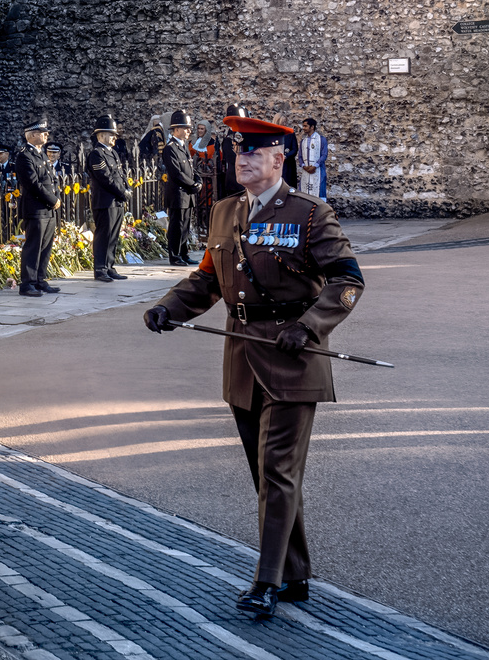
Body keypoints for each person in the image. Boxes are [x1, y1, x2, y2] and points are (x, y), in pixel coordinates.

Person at [143, 115, 365, 620]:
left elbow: (347, 282)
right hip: (241, 356)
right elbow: (207, 281)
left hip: (292, 358)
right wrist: (168, 307)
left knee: (277, 471)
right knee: (265, 475)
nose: (242, 161)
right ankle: (294, 574)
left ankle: (266, 582)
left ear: (278, 158)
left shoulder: (311, 214)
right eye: (238, 154)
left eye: (253, 153)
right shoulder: (224, 212)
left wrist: (308, 328)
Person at [14, 118, 61, 297]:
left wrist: (55, 198)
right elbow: (33, 184)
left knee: (46, 246)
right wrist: (51, 199)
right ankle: (27, 283)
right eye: (43, 133)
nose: (46, 135)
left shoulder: (41, 154)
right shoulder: (24, 156)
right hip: (35, 208)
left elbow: (51, 179)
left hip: (47, 208)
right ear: (32, 135)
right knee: (34, 246)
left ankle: (40, 279)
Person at [86, 115, 131, 283]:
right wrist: (122, 192)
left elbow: (120, 174)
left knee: (113, 235)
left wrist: (127, 188)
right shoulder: (97, 154)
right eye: (111, 134)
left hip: (116, 201)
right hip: (105, 201)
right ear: (101, 135)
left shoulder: (112, 152)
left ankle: (109, 266)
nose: (114, 137)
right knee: (103, 235)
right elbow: (106, 178)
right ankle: (100, 269)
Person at [162, 110, 200, 266]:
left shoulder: (183, 146)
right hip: (178, 193)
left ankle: (184, 253)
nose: (189, 131)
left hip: (187, 193)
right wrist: (192, 185)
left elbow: (191, 169)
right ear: (176, 129)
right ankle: (175, 255)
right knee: (177, 226)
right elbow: (176, 173)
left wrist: (198, 181)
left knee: (185, 225)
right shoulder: (170, 148)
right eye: (186, 128)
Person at [215, 104, 246, 202]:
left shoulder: (243, 135)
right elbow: (232, 158)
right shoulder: (228, 138)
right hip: (235, 181)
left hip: (245, 180)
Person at [298, 118, 328, 200]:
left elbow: (324, 155)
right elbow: (300, 156)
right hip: (306, 171)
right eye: (303, 126)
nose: (303, 128)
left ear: (312, 127)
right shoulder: (303, 141)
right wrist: (304, 166)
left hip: (317, 171)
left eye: (305, 126)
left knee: (318, 192)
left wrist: (314, 166)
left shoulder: (321, 140)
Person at [273, 112, 300, 189]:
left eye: (285, 122)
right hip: (275, 163)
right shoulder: (272, 134)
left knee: (288, 184)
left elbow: (294, 149)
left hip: (288, 164)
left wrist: (286, 156)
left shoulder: (290, 133)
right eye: (283, 122)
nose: (284, 124)